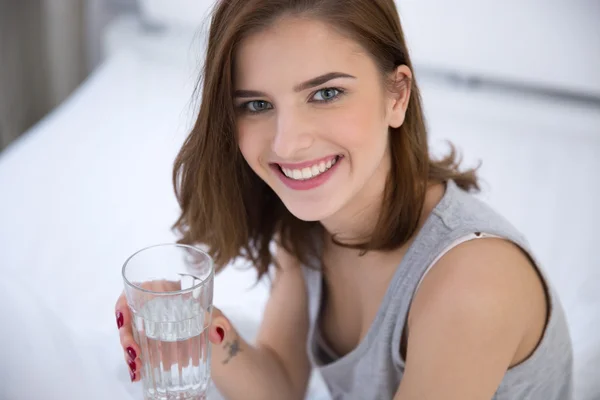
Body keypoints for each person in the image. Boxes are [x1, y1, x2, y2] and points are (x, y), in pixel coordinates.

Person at [114, 0, 573, 398]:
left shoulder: (473, 283)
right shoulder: (312, 226)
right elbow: (281, 384)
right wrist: (200, 326)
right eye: (256, 105)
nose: (287, 144)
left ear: (397, 96)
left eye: (326, 93)